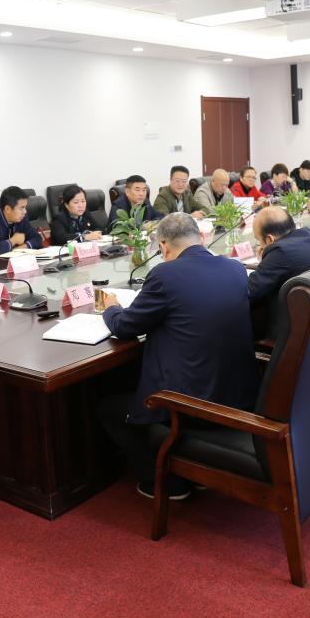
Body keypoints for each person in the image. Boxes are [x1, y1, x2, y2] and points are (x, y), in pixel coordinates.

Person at [98, 213, 259, 500]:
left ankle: (167, 483)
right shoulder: (234, 268)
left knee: (107, 408)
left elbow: (124, 327)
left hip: (191, 403)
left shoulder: (164, 275)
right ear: (202, 237)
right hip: (237, 394)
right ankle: (196, 469)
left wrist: (111, 307)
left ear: (163, 246)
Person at [247, 206, 310, 337]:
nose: (259, 245)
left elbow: (249, 292)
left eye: (258, 240)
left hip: (299, 335)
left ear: (270, 239)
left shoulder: (280, 252)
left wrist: (266, 260)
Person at [0, 186, 44, 256]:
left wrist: (22, 248)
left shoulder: (22, 218)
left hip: (14, 260)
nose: (25, 211)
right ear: (8, 209)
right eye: (21, 208)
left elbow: (37, 238)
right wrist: (13, 241)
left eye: (25, 207)